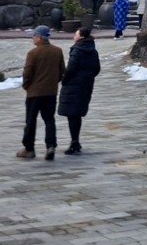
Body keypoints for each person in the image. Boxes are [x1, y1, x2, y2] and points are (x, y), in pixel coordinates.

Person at [19, 25, 64, 161]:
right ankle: (50, 146)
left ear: (38, 37)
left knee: (31, 121)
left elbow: (27, 73)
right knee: (49, 120)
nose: (33, 39)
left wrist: (27, 86)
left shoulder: (33, 53)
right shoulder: (57, 51)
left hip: (34, 93)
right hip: (50, 92)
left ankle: (29, 148)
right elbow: (62, 70)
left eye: (34, 36)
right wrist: (53, 83)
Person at [58, 26, 101, 155]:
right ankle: (75, 140)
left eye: (76, 35)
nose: (74, 37)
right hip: (86, 85)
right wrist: (87, 77)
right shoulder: (93, 50)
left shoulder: (77, 50)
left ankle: (74, 142)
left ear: (81, 36)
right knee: (77, 114)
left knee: (72, 115)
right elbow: (97, 69)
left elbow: (70, 68)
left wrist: (64, 80)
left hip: (73, 86)